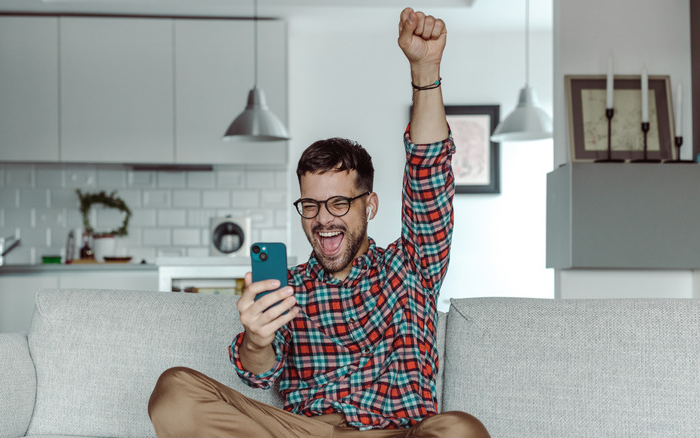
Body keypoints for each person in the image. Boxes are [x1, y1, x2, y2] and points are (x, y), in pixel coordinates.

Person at [148, 8, 490, 438]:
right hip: (307, 432)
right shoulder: (287, 290)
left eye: (339, 203)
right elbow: (258, 377)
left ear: (371, 205)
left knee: (459, 429)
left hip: (399, 432)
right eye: (310, 205)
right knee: (174, 390)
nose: (323, 219)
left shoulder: (412, 267)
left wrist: (425, 69)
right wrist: (256, 340)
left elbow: (428, 170)